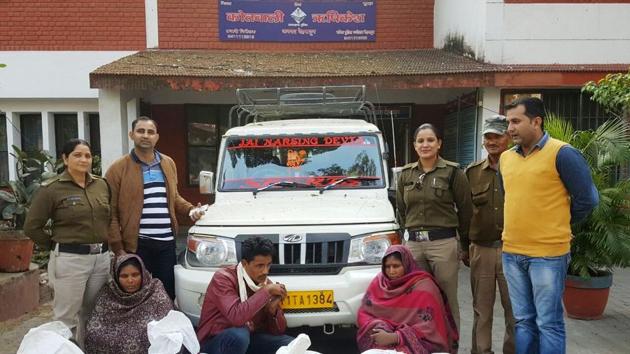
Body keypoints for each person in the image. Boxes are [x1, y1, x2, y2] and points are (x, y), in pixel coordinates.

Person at [500, 97, 599, 354]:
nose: (510, 128)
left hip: (548, 255)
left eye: (515, 121)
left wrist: (560, 223)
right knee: (523, 321)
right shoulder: (506, 159)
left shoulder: (562, 153)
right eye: (508, 122)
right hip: (512, 253)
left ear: (536, 121)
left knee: (548, 323)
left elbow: (588, 198)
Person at [105, 116, 204, 300]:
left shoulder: (168, 163)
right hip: (137, 245)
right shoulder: (118, 168)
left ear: (156, 137)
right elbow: (110, 212)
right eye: (140, 131)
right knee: (138, 295)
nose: (145, 135)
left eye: (150, 132)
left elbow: (173, 197)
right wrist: (118, 249)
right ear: (131, 135)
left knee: (166, 294)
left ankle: (164, 328)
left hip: (166, 244)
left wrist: (191, 210)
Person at [24, 139, 111, 347]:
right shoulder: (52, 189)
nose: (83, 159)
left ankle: (85, 350)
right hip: (70, 260)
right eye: (77, 155)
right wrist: (56, 246)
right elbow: (32, 227)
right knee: (66, 318)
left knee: (93, 314)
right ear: (65, 158)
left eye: (87, 155)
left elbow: (110, 217)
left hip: (100, 259)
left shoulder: (101, 185)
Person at [396, 123, 473, 331]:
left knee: (446, 299)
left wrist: (464, 245)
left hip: (443, 244)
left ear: (439, 143)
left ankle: (450, 346)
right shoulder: (405, 175)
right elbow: (402, 210)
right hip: (414, 246)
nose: (425, 145)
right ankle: (421, 345)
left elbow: (466, 210)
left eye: (430, 140)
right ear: (414, 145)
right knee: (417, 299)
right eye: (420, 141)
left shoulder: (453, 173)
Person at [464, 116, 515, 354]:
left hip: (513, 251)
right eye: (488, 137)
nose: (492, 141)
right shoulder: (471, 173)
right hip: (481, 249)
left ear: (509, 137)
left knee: (515, 311)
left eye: (497, 136)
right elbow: (462, 213)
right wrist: (464, 247)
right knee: (481, 310)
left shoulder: (519, 169)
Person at [197, 237, 294, 354]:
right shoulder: (223, 278)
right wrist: (266, 291)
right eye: (260, 266)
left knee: (289, 344)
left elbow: (278, 331)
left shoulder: (266, 283)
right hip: (214, 342)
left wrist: (273, 311)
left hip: (247, 340)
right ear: (244, 263)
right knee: (239, 335)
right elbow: (236, 317)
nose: (265, 271)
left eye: (268, 265)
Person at [356, 245, 458, 354]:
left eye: (396, 266)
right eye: (387, 266)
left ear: (406, 264)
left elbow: (430, 327)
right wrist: (379, 327)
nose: (391, 271)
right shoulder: (380, 283)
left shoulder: (424, 287)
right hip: (383, 336)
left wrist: (397, 337)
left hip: (417, 342)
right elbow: (364, 313)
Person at [84, 254, 174, 354]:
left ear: (143, 274)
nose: (130, 280)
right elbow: (95, 324)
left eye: (135, 275)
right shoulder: (109, 292)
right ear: (116, 277)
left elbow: (169, 325)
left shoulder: (155, 291)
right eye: (124, 276)